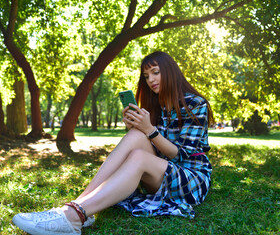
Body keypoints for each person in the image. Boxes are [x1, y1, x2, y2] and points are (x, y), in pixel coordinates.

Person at [12, 51, 214, 235]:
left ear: (169, 72)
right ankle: (77, 206)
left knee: (139, 155)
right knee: (136, 136)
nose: (151, 80)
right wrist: (135, 127)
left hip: (191, 178)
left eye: (155, 72)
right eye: (146, 76)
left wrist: (149, 130)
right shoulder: (157, 106)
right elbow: (151, 145)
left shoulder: (195, 104)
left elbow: (179, 155)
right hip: (161, 173)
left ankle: (75, 217)